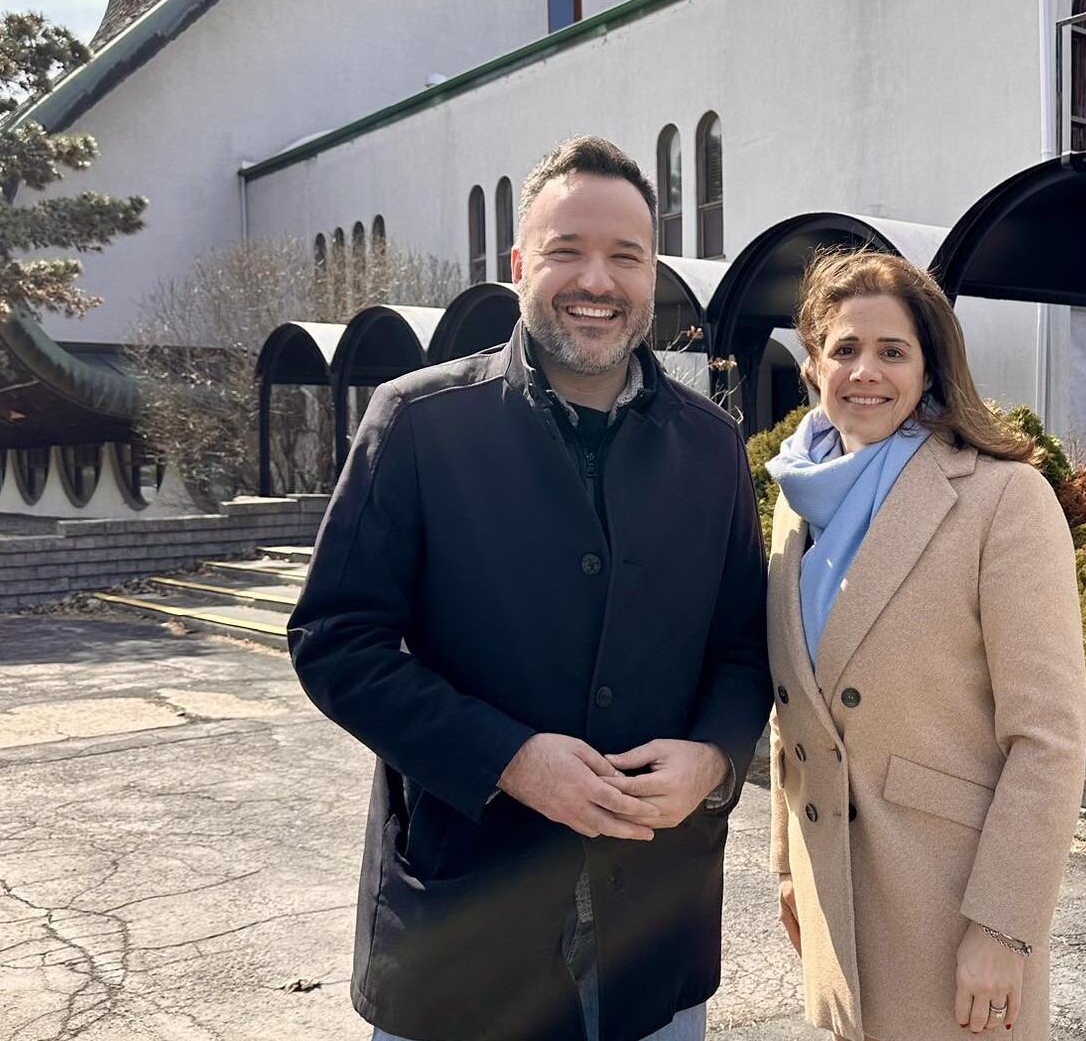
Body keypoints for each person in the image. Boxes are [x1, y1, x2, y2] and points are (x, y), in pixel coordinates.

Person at [289, 136, 771, 1041]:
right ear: (519, 266)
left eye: (625, 255)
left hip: (654, 930)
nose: (598, 279)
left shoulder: (710, 445)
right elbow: (334, 641)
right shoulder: (417, 422)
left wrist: (712, 759)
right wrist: (506, 758)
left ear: (652, 272)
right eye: (566, 251)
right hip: (463, 934)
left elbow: (744, 647)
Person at [764, 250, 1086, 1041]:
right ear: (813, 366)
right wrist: (785, 866)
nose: (865, 371)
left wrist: (1004, 927)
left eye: (892, 351)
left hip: (950, 904)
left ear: (930, 365)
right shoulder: (793, 503)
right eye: (844, 349)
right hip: (833, 887)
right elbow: (793, 712)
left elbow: (1046, 736)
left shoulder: (1004, 498)